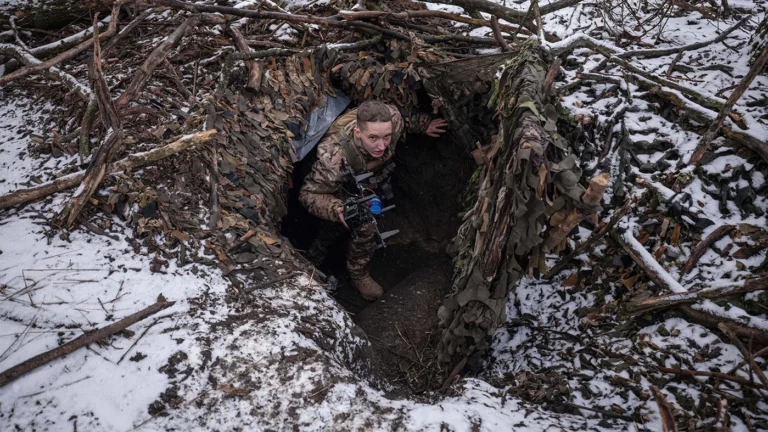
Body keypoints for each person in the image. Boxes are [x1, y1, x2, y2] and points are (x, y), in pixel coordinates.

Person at [299, 100, 447, 300]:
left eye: (387, 137)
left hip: (367, 182)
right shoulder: (333, 157)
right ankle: (348, 270)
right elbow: (309, 194)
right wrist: (338, 208)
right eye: (373, 138)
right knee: (361, 223)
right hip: (337, 190)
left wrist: (424, 124)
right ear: (358, 133)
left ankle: (334, 259)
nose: (382, 146)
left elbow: (403, 116)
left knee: (356, 218)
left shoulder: (393, 119)